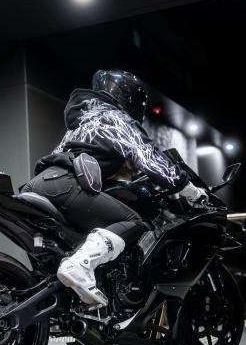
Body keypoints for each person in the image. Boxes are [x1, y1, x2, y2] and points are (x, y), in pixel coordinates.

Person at [23, 69, 207, 308]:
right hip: (64, 184)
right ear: (129, 97)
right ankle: (81, 265)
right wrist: (189, 189)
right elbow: (150, 158)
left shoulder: (82, 121)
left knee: (77, 240)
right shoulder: (116, 118)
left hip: (40, 184)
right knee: (133, 222)